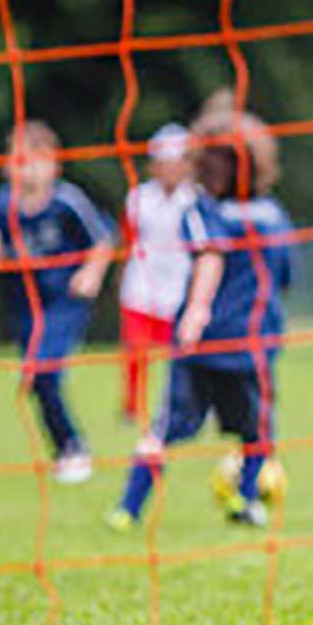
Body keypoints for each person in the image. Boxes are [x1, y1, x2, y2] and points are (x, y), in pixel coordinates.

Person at [108, 110, 292, 529]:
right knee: (256, 430)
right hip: (251, 343)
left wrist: (196, 310)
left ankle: (128, 508)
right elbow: (280, 278)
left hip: (200, 341)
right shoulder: (275, 217)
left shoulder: (204, 211)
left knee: (165, 428)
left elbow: (209, 256)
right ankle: (247, 502)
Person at [0, 121, 114, 484]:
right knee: (36, 380)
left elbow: (102, 242)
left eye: (36, 160)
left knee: (44, 371)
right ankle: (66, 447)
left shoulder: (68, 201)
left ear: (54, 165)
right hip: (24, 304)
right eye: (19, 160)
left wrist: (91, 274)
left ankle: (73, 448)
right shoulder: (3, 202)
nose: (27, 169)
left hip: (64, 301)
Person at [118, 123, 197, 424]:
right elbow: (127, 241)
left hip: (179, 285)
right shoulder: (139, 199)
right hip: (142, 282)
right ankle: (132, 406)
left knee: (183, 352)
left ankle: (182, 403)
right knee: (136, 348)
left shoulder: (195, 199)